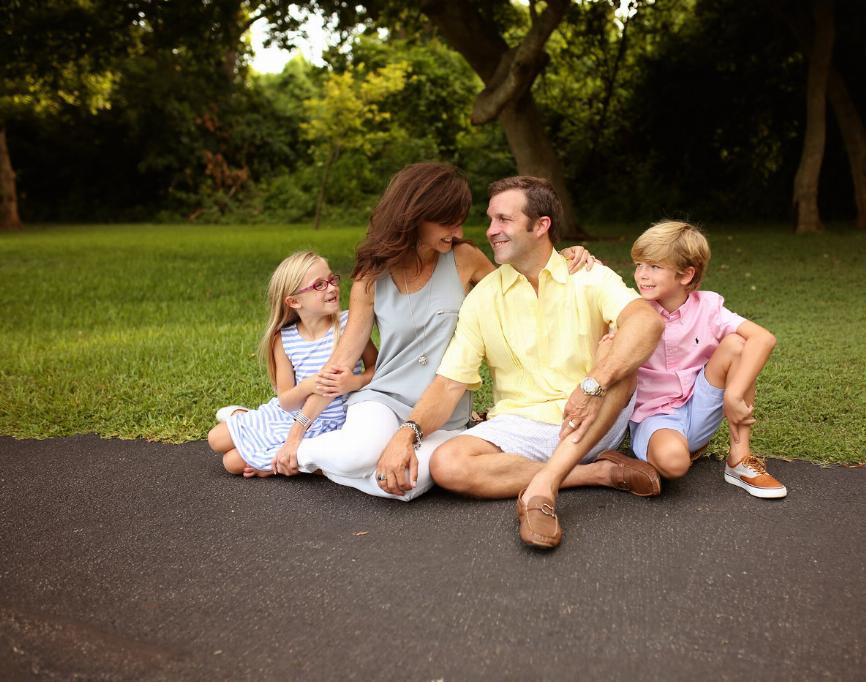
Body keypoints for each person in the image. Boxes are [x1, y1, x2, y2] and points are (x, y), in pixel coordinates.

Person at [271, 163, 595, 501]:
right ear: (415, 217)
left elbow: (521, 287)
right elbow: (339, 364)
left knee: (405, 489)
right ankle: (292, 456)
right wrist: (295, 436)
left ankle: (336, 466)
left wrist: (565, 258)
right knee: (358, 455)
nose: (456, 232)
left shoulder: (464, 259)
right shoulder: (371, 278)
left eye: (460, 221)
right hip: (384, 399)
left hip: (444, 412)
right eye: (447, 221)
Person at [375, 176, 665, 549]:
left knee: (619, 363)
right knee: (447, 464)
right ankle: (597, 473)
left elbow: (647, 322)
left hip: (593, 416)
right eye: (491, 220)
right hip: (520, 426)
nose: (491, 231)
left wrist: (594, 383)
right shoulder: (483, 298)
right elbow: (449, 384)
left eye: (504, 220)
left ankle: (541, 490)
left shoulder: (588, 276)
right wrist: (406, 434)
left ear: (541, 225)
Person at [629, 221, 787, 498]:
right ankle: (672, 449)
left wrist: (733, 396)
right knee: (675, 465)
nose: (642, 275)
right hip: (655, 416)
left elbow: (764, 338)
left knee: (738, 345)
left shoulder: (708, 307)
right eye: (639, 265)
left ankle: (740, 459)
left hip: (699, 403)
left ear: (686, 275)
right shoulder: (633, 311)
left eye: (654, 267)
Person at [207, 251, 378, 476]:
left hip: (330, 423)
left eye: (331, 280)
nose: (332, 288)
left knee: (232, 463)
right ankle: (246, 419)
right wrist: (309, 385)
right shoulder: (285, 339)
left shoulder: (348, 325)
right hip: (290, 416)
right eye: (319, 285)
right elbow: (286, 401)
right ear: (294, 301)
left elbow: (377, 369)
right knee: (215, 438)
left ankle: (280, 465)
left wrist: (354, 382)